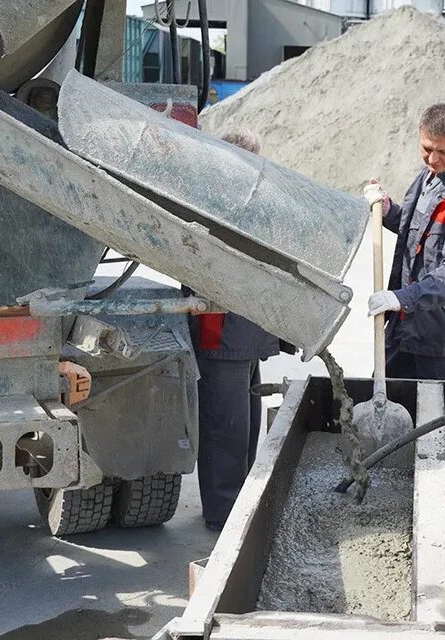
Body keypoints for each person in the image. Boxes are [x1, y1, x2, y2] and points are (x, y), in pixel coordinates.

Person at [191, 127, 285, 532]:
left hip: (242, 334)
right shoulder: (214, 203)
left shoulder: (239, 200)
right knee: (225, 429)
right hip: (223, 332)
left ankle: (236, 504)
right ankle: (224, 513)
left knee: (243, 426)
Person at [363, 103, 445, 381]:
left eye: (443, 152)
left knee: (435, 415)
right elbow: (417, 230)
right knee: (383, 396)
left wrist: (402, 298)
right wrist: (388, 210)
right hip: (408, 322)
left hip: (442, 332)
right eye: (426, 148)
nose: (433, 159)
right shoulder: (431, 174)